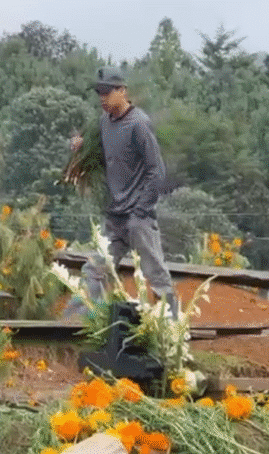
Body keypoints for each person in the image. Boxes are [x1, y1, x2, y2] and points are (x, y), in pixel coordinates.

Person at [70, 66, 178, 317]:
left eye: (107, 92)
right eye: (99, 93)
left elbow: (156, 170)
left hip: (138, 217)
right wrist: (78, 144)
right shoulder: (104, 123)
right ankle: (82, 322)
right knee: (95, 269)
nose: (102, 98)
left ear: (123, 91)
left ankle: (172, 326)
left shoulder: (138, 124)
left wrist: (141, 209)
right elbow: (94, 148)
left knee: (156, 274)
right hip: (115, 216)